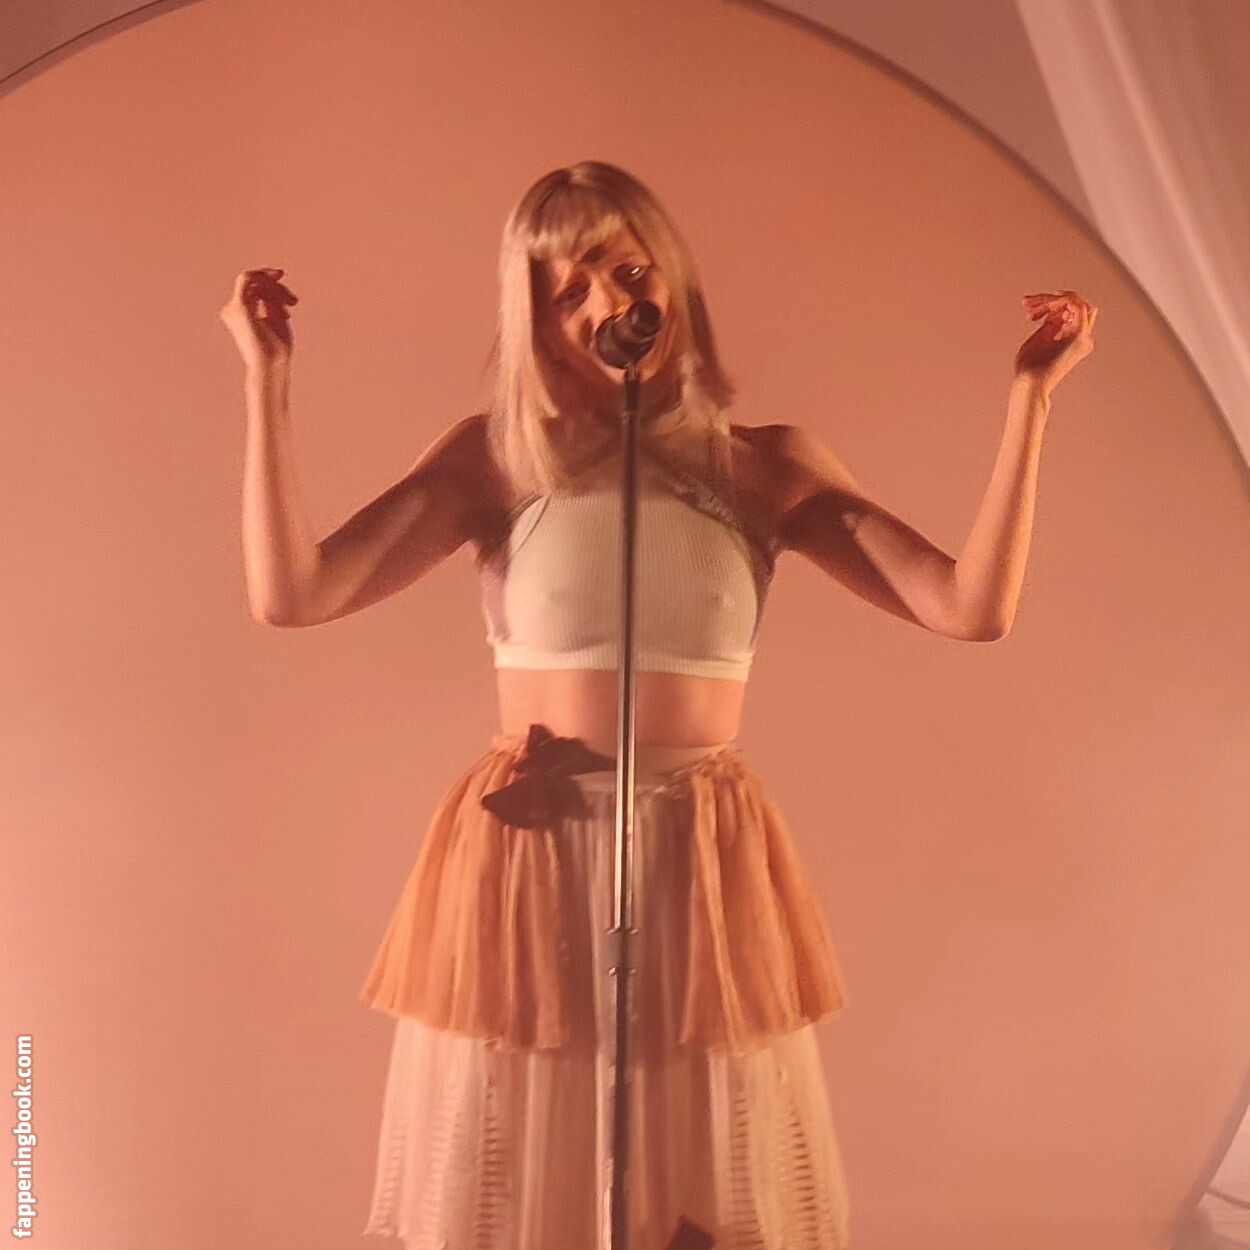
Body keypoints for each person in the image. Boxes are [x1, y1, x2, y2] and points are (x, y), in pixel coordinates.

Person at [220, 160, 1096, 1250]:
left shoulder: (765, 468)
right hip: (531, 852)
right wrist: (266, 385)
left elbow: (969, 607)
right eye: (568, 290)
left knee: (691, 1165)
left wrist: (1029, 403)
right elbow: (294, 594)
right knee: (533, 1161)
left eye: (628, 272)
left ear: (671, 281)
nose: (606, 304)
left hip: (695, 849)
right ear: (536, 323)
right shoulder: (496, 462)